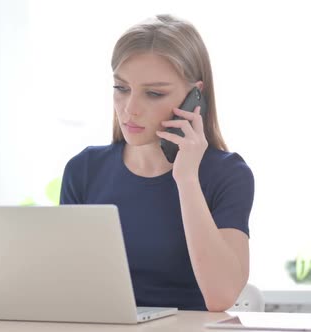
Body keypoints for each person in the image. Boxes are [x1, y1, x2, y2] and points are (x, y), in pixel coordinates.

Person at [59, 14, 255, 312]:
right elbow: (66, 286)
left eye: (153, 93)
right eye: (121, 88)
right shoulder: (84, 170)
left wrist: (187, 179)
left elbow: (221, 296)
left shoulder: (227, 174)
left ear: (195, 95)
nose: (130, 109)